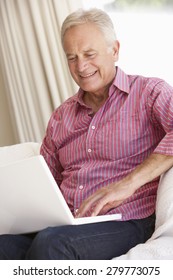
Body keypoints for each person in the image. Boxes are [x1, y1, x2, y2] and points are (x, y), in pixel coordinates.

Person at [1, 8, 173, 260]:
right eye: (72, 57)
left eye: (89, 54)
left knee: (53, 244)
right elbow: (44, 179)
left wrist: (127, 184)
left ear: (114, 50)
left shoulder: (149, 93)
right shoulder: (62, 116)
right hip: (67, 223)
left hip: (126, 219)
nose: (81, 66)